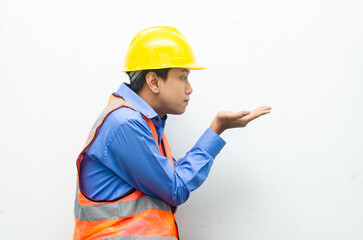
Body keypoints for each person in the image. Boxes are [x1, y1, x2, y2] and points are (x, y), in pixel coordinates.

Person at [73, 26, 271, 240]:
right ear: (154, 82)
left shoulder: (143, 122)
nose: (189, 89)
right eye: (183, 77)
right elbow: (175, 188)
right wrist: (216, 129)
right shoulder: (125, 124)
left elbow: (170, 178)